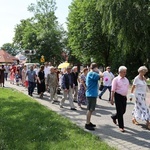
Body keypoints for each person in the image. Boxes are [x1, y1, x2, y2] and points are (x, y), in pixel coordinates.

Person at [110, 66, 129, 132]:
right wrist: (111, 99)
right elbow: (113, 90)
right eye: (124, 72)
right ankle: (121, 126)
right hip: (118, 96)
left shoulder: (126, 79)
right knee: (120, 112)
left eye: (125, 72)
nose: (125, 73)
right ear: (120, 72)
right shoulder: (116, 79)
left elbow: (126, 88)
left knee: (123, 111)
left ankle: (114, 117)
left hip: (124, 97)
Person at [85, 63, 103, 130]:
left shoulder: (91, 73)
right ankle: (87, 124)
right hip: (91, 94)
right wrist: (98, 70)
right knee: (90, 109)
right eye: (97, 68)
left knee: (91, 109)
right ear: (95, 68)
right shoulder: (92, 73)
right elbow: (101, 75)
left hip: (91, 94)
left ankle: (88, 122)